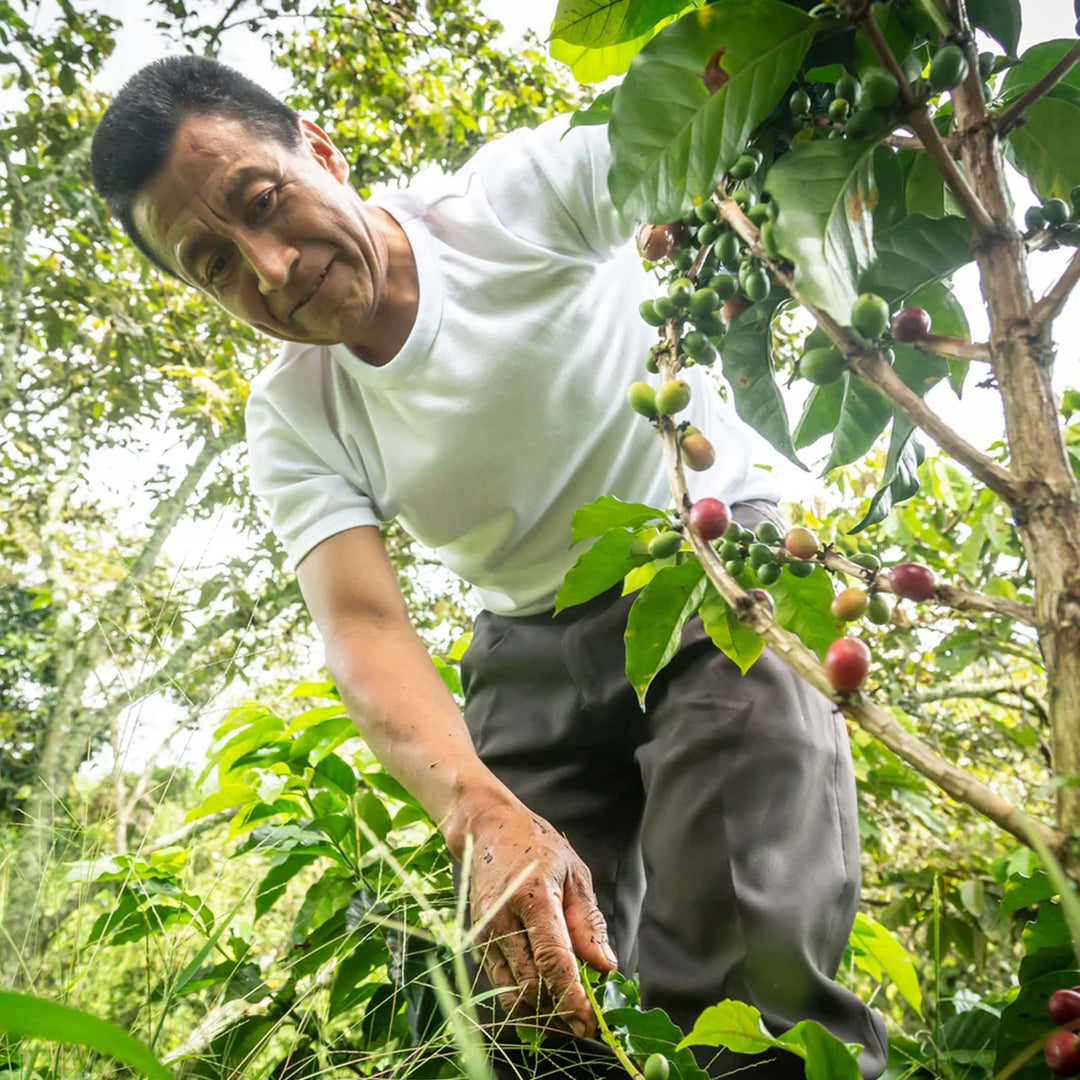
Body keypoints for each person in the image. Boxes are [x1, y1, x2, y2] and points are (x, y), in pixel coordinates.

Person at [90, 55, 889, 1080]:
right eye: (216, 263)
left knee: (745, 979)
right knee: (518, 1007)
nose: (272, 268)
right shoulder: (295, 416)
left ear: (320, 151)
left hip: (704, 571)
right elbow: (364, 628)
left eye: (264, 200)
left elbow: (711, 109)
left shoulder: (518, 198)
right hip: (525, 647)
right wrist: (478, 808)